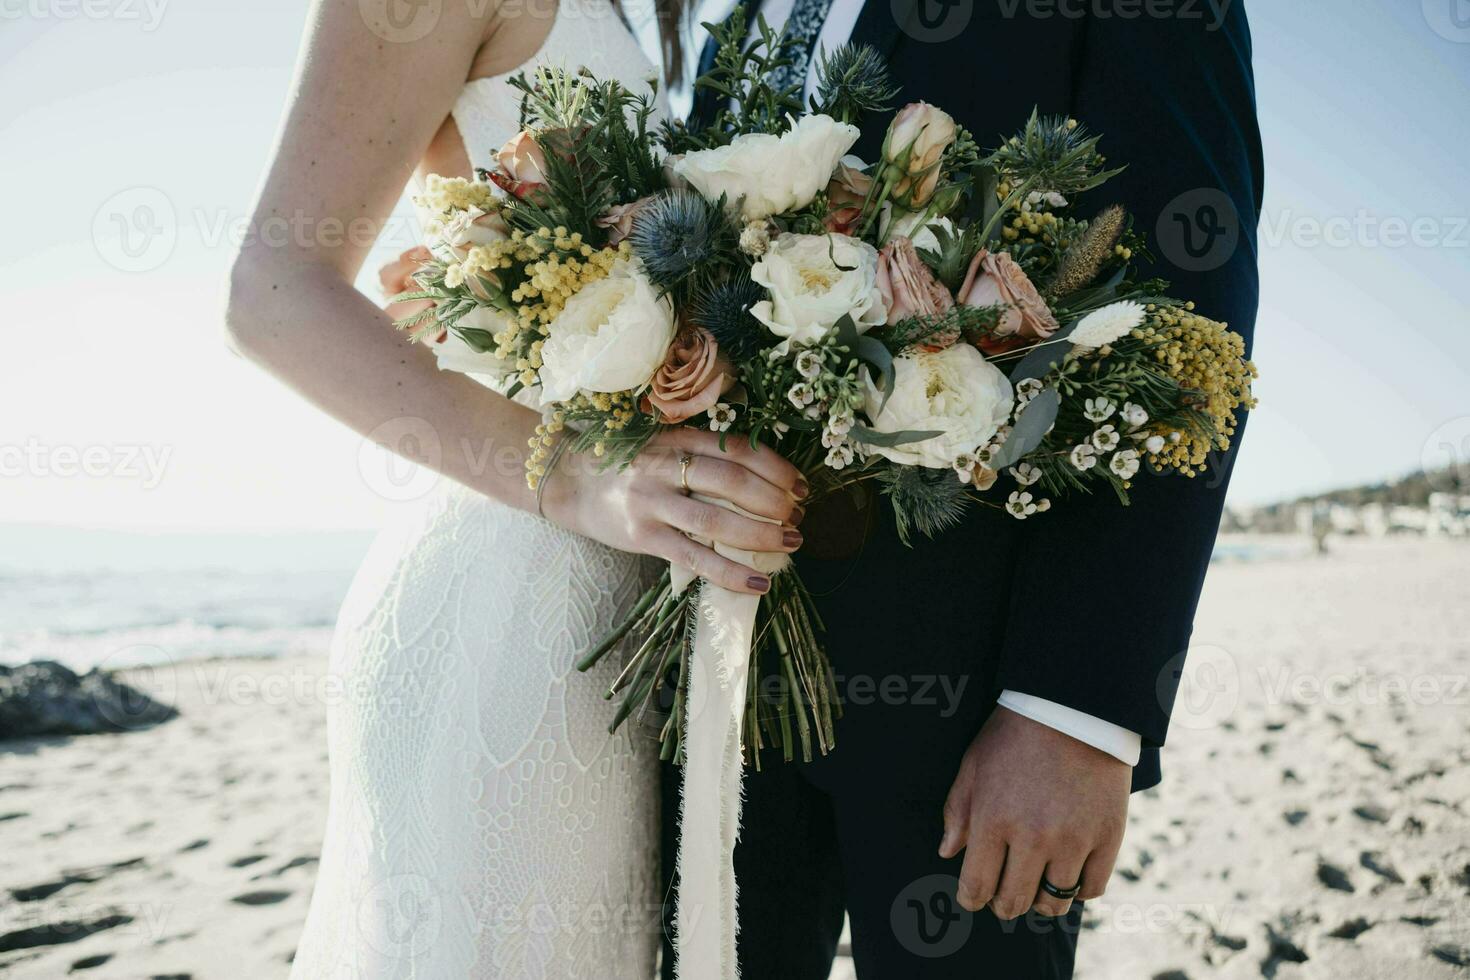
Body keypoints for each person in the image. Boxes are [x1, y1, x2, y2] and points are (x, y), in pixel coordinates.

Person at [660, 1, 1265, 976]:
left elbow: (1181, 318)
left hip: (971, 714)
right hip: (711, 686)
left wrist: (1072, 710)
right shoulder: (730, 30)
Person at [224, 0, 807, 975]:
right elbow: (272, 290)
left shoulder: (681, 19)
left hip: (638, 635)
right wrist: (574, 474)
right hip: (509, 614)